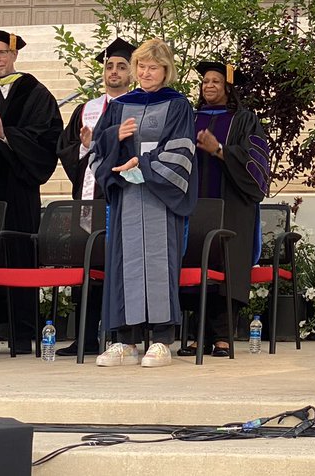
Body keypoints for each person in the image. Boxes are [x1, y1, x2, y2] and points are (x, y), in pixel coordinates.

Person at [90, 38, 197, 368]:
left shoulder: (177, 105)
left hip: (160, 198)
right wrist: (115, 137)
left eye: (153, 67)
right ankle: (126, 341)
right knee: (126, 264)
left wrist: (143, 165)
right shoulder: (120, 105)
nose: (146, 73)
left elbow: (181, 150)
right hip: (127, 196)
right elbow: (97, 147)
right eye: (141, 66)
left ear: (166, 70)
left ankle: (162, 341)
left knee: (160, 264)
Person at [0, 29, 62, 356]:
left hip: (19, 191)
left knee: (19, 255)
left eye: (2, 53)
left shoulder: (35, 92)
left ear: (14, 54)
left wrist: (6, 135)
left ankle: (22, 335)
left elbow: (47, 138)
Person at [179, 60, 269, 357]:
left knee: (225, 266)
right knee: (195, 264)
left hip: (231, 205)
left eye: (216, 81)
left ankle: (222, 336)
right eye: (205, 81)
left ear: (228, 88)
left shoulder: (244, 120)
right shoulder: (190, 119)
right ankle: (197, 335)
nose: (209, 85)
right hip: (194, 205)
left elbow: (255, 161)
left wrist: (219, 150)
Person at [53, 36, 135, 357]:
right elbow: (67, 149)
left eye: (121, 66)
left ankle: (119, 336)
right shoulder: (86, 110)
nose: (114, 71)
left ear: (132, 73)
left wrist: (102, 146)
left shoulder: (137, 107)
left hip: (122, 198)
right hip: (88, 201)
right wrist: (85, 147)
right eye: (109, 66)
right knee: (87, 265)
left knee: (118, 267)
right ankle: (85, 338)